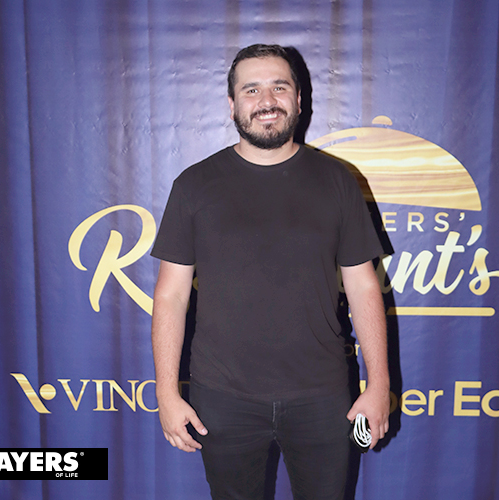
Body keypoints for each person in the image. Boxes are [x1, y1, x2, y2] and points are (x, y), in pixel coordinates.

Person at [150, 43, 390, 500]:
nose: (266, 100)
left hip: (322, 396)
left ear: (299, 99)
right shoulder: (194, 185)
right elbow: (170, 296)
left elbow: (363, 287)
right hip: (222, 397)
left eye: (279, 87)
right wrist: (166, 393)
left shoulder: (337, 181)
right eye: (251, 89)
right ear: (232, 104)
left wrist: (379, 384)